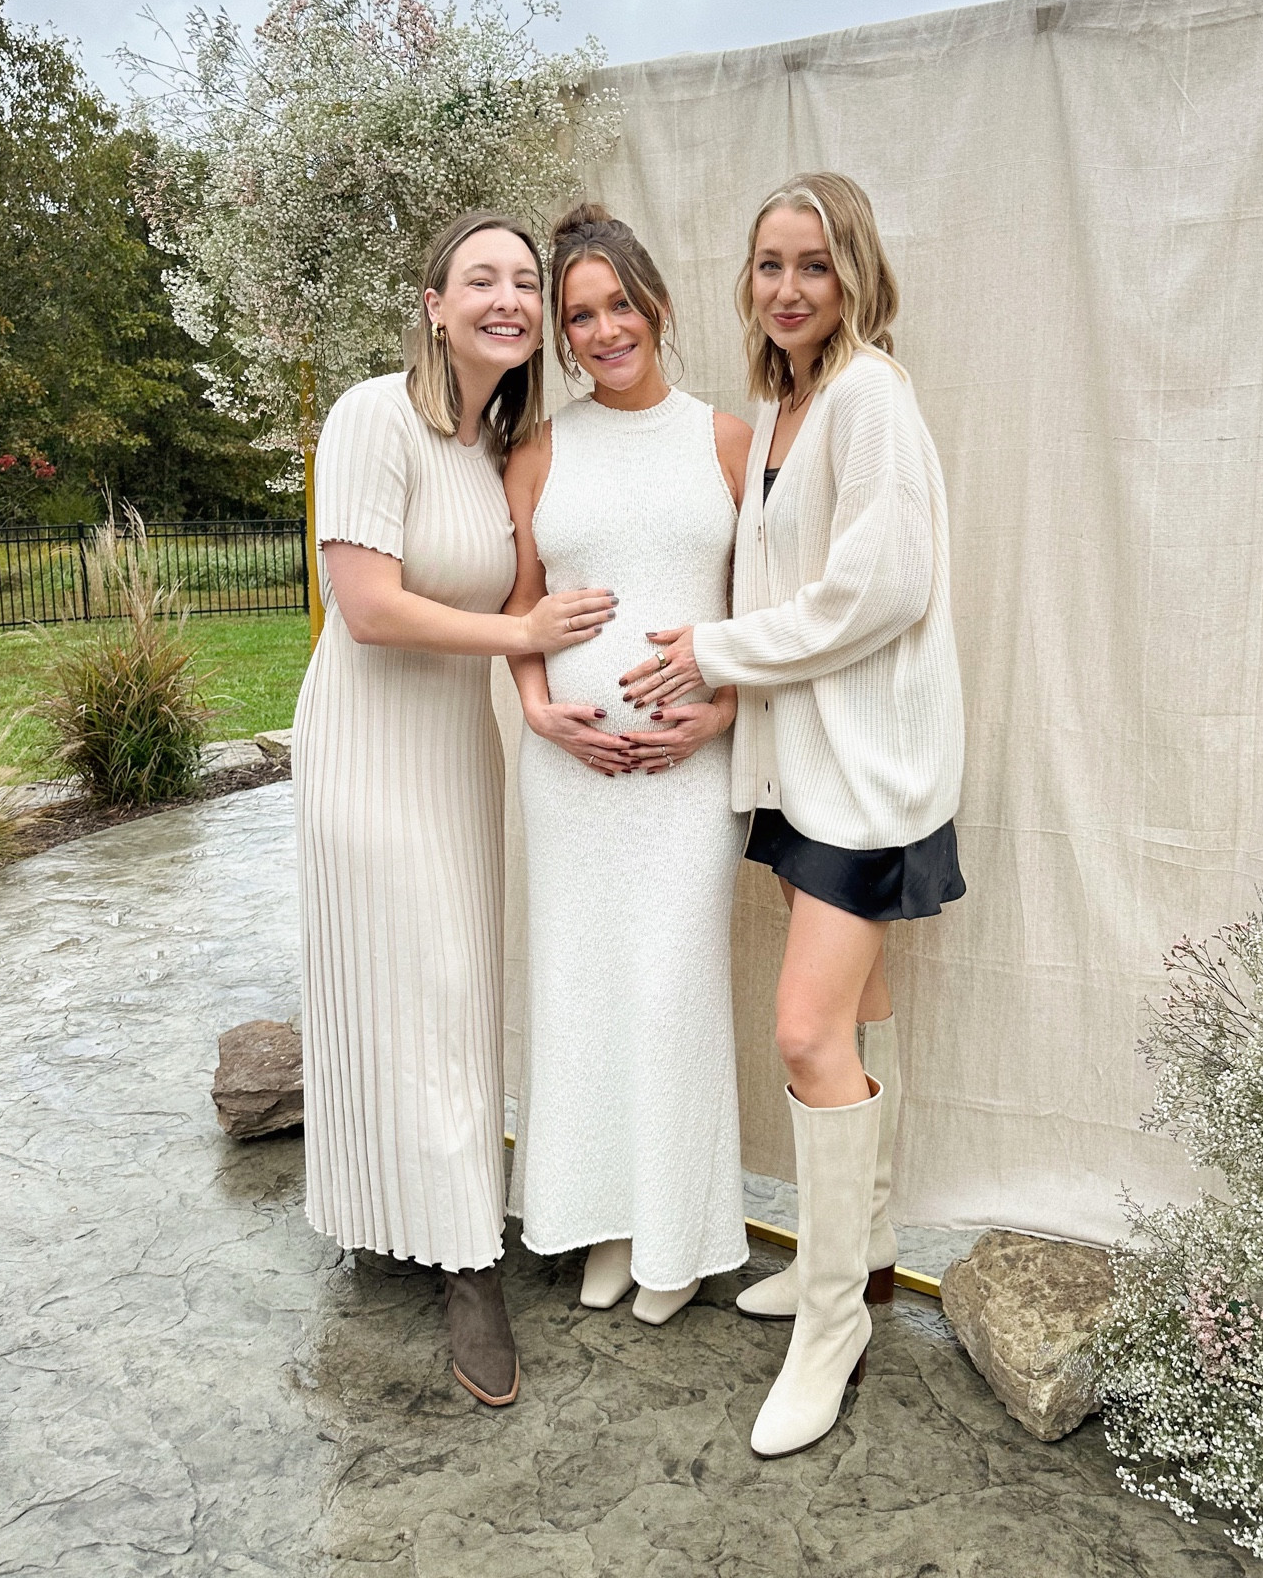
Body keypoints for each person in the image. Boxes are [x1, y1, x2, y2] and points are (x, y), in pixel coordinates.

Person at [620, 171, 964, 1457]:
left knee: (806, 1033)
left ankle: (831, 1327)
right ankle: (859, 1257)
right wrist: (727, 696)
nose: (788, 287)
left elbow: (879, 589)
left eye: (812, 264)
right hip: (800, 769)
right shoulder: (783, 407)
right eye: (769, 265)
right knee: (861, 1016)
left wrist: (711, 651)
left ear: (853, 273)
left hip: (865, 777)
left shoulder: (870, 396)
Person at [294, 210, 617, 1409]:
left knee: (457, 983)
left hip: (457, 749)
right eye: (480, 278)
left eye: (524, 282)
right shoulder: (373, 415)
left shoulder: (502, 449)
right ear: (432, 302)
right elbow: (366, 607)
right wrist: (520, 635)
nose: (508, 298)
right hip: (368, 745)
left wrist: (547, 680)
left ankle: (414, 1207)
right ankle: (470, 1264)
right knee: (407, 976)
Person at [503, 203, 754, 1323]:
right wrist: (536, 711)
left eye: (618, 306)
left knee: (669, 996)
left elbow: (769, 614)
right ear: (562, 338)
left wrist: (723, 713)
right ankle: (601, 1224)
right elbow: (518, 611)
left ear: (655, 304)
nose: (604, 331)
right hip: (570, 782)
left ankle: (680, 1240)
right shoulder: (540, 450)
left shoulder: (729, 442)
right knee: (584, 994)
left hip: (684, 782)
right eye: (579, 318)